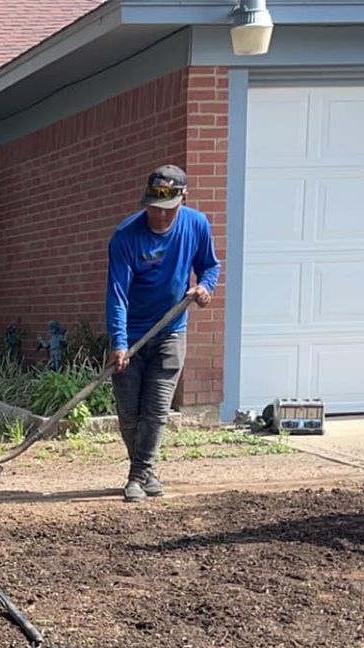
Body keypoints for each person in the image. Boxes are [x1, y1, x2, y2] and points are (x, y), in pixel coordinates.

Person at [105, 164, 221, 502]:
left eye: (167, 208)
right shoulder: (126, 236)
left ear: (184, 198)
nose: (159, 215)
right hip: (131, 333)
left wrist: (205, 287)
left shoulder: (196, 225)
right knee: (129, 413)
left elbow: (210, 265)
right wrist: (119, 342)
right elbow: (117, 294)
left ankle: (138, 474)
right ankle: (144, 471)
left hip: (171, 330)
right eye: (153, 207)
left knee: (155, 410)